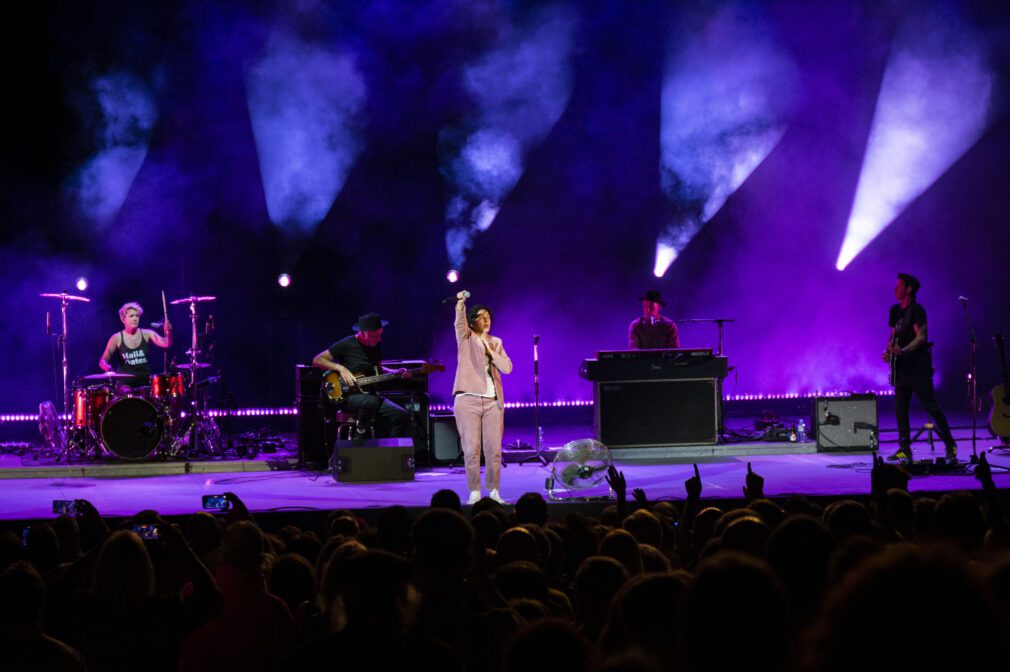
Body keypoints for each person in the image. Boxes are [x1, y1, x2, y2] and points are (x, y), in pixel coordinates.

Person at [882, 273, 957, 462]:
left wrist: (904, 350)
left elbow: (921, 337)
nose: (895, 289)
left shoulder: (917, 310)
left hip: (917, 368)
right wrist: (889, 351)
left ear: (909, 289)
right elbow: (893, 336)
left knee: (932, 407)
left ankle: (950, 444)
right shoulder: (895, 311)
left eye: (899, 285)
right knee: (900, 409)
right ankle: (904, 448)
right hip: (901, 369)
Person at [452, 292, 512, 505]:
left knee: (494, 450)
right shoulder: (465, 337)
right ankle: (474, 491)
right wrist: (461, 304)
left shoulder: (496, 342)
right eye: (480, 316)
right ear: (472, 320)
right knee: (471, 449)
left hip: (493, 402)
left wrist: (490, 350)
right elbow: (459, 321)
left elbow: (507, 368)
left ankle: (494, 490)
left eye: (488, 316)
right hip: (468, 400)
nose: (486, 320)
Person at [312, 312, 411, 437]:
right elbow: (317, 360)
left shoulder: (375, 346)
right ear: (361, 332)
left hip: (370, 395)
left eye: (379, 335)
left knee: (402, 416)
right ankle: (359, 436)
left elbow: (377, 368)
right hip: (349, 395)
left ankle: (393, 454)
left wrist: (394, 372)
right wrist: (341, 368)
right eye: (373, 336)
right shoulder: (347, 344)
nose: (377, 339)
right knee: (370, 402)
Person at [98, 302, 172, 388]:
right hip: (125, 387)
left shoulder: (147, 333)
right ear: (123, 319)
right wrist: (106, 367)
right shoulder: (116, 338)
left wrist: (168, 334)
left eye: (137, 316)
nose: (135, 318)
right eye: (131, 316)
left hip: (145, 385)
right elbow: (102, 361)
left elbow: (167, 343)